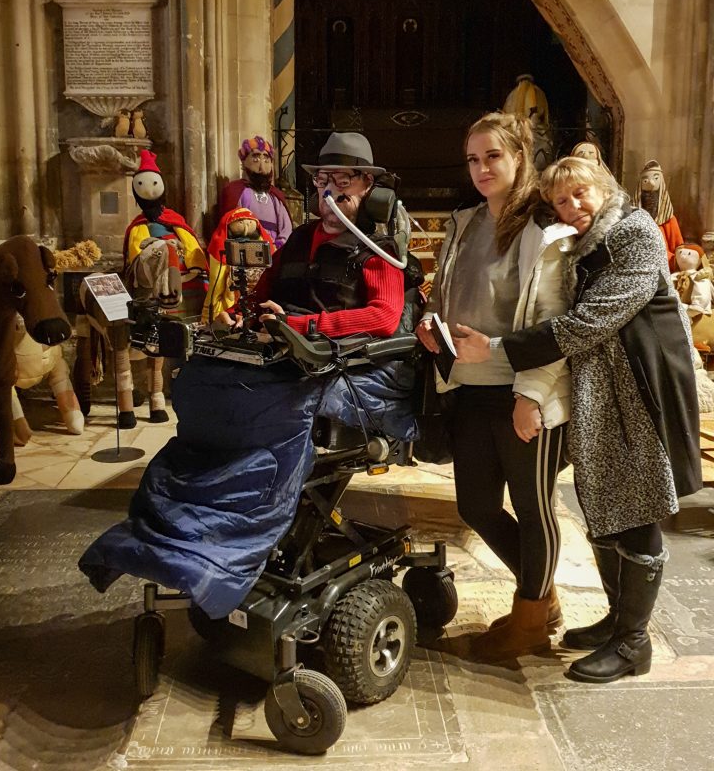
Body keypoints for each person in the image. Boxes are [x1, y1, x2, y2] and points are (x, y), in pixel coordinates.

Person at [453, 156, 701, 682]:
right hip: (603, 392)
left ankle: (634, 643)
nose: (574, 207)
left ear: (605, 187)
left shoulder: (635, 234)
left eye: (581, 194)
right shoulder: (582, 246)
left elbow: (589, 321)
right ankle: (616, 620)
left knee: (638, 508)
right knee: (607, 505)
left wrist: (496, 347)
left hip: (641, 389)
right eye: (562, 201)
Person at [416, 112, 575, 663]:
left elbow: (554, 322)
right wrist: (431, 324)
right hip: (468, 387)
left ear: (518, 158)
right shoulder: (463, 223)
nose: (481, 168)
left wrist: (530, 393)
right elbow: (447, 295)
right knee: (477, 506)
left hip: (521, 391)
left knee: (534, 508)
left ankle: (530, 620)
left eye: (493, 157)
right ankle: (542, 598)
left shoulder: (546, 232)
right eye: (473, 159)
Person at [247, 131, 412, 338]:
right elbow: (261, 293)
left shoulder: (378, 251)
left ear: (368, 184)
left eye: (343, 181)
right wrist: (241, 315)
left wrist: (299, 326)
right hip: (278, 349)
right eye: (322, 180)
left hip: (333, 362)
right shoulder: (299, 238)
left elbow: (384, 317)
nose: (330, 192)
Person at [219, 135, 293, 249]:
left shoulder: (275, 196)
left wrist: (278, 246)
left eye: (266, 159)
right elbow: (232, 225)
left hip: (275, 251)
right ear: (244, 162)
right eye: (255, 158)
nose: (261, 165)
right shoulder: (236, 191)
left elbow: (286, 228)